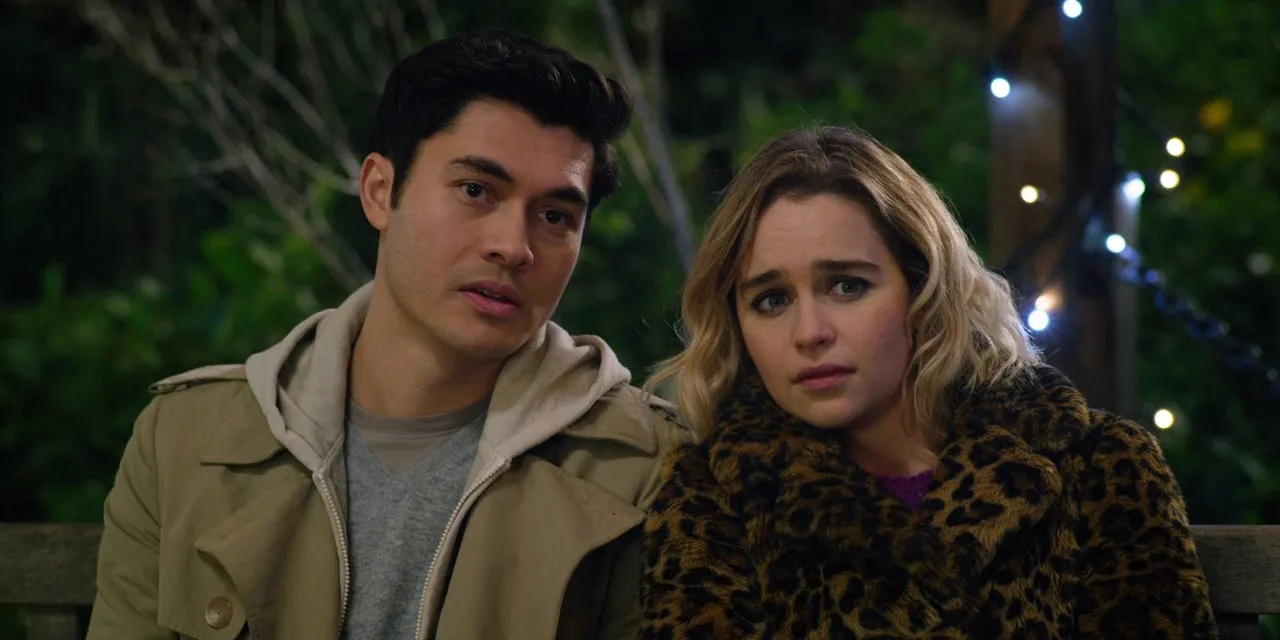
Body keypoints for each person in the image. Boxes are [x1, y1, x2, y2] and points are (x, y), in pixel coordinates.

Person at [87, 30, 692, 640]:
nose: (513, 246)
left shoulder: (646, 467)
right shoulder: (185, 440)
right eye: (476, 190)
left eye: (555, 216)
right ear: (380, 192)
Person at [639, 126, 1217, 638]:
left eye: (846, 286)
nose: (809, 333)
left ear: (922, 288)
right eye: (771, 300)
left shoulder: (1097, 465)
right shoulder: (714, 495)